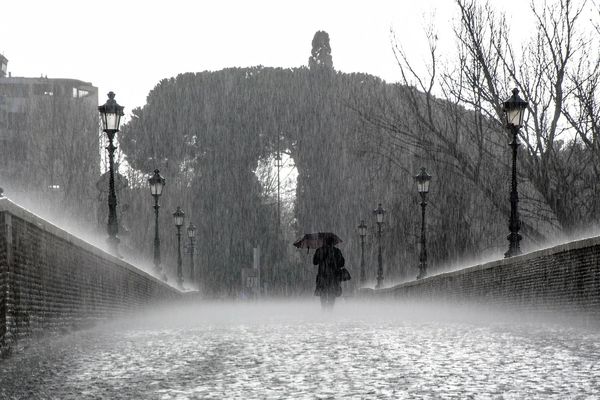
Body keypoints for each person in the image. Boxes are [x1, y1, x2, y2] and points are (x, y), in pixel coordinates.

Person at [313, 236, 345, 309]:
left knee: (323, 293)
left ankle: (324, 309)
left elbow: (314, 262)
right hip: (333, 276)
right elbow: (342, 263)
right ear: (333, 243)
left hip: (322, 275)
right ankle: (330, 309)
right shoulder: (337, 251)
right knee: (332, 293)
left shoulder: (319, 250)